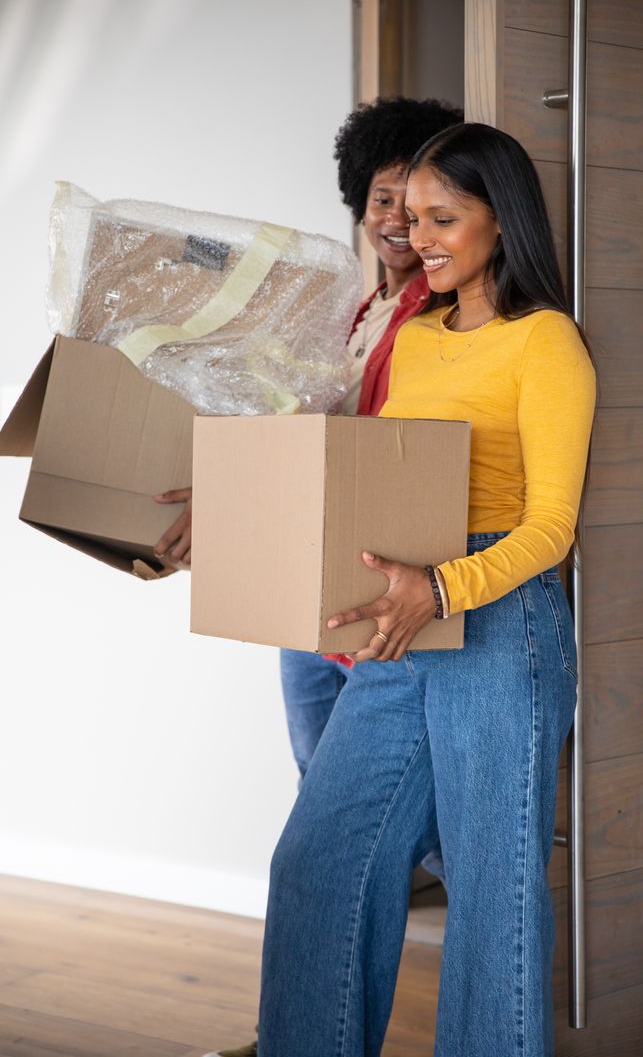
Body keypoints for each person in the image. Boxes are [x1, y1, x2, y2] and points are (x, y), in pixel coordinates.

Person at [255, 122, 596, 1056]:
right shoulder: (416, 338)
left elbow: (553, 528)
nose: (420, 237)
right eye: (411, 216)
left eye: (444, 218)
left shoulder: (547, 342)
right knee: (320, 861)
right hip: (404, 615)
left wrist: (442, 590)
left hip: (499, 620)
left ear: (502, 219)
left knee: (491, 891)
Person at [151, 98, 462, 1057]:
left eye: (420, 203)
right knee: (330, 836)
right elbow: (306, 440)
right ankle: (300, 1030)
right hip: (312, 609)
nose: (398, 221)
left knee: (373, 841)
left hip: (379, 604)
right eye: (382, 198)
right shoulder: (355, 313)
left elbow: (387, 464)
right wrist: (232, 494)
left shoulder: (446, 315)